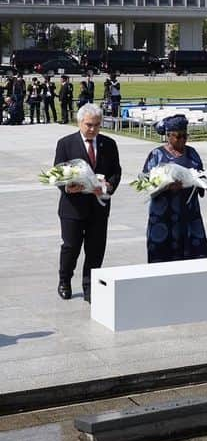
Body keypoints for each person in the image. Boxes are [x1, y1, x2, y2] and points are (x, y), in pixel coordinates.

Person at [55, 103, 122, 301]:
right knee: (71, 246)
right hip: (73, 207)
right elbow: (58, 173)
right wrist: (68, 187)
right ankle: (64, 280)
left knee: (95, 248)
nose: (92, 129)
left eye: (96, 125)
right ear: (79, 122)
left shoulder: (108, 144)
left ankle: (90, 287)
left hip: (98, 207)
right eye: (88, 125)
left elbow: (116, 171)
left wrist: (108, 186)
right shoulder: (65, 143)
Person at [142, 114, 207, 262]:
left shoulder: (192, 153)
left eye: (185, 136)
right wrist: (165, 186)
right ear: (168, 136)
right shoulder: (156, 155)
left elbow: (200, 173)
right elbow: (145, 181)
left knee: (194, 255)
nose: (182, 139)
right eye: (178, 136)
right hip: (163, 215)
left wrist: (206, 183)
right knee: (162, 255)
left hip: (188, 213)